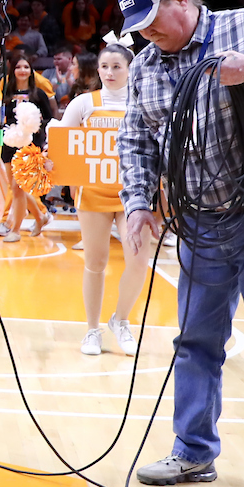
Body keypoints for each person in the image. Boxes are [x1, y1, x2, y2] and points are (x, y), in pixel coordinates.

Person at [118, 0, 244, 487]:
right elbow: (136, 137)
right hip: (201, 220)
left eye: (152, 23)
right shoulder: (146, 66)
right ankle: (193, 451)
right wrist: (138, 201)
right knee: (194, 340)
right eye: (138, 31)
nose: (148, 36)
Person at [47, 44, 144, 355]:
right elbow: (62, 144)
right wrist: (49, 159)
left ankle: (121, 319)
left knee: (139, 261)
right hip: (93, 192)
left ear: (130, 69)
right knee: (95, 263)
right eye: (105, 66)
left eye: (117, 66)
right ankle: (92, 330)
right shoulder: (83, 103)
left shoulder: (142, 102)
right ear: (98, 69)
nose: (110, 72)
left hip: (133, 195)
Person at [0, 49, 53, 242]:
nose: (22, 70)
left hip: (30, 146)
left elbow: (49, 120)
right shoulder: (5, 93)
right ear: (13, 70)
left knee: (18, 187)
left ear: (31, 70)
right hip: (9, 144)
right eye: (18, 67)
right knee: (18, 187)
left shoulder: (39, 94)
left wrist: (38, 126)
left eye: (26, 67)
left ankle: (15, 230)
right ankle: (40, 216)